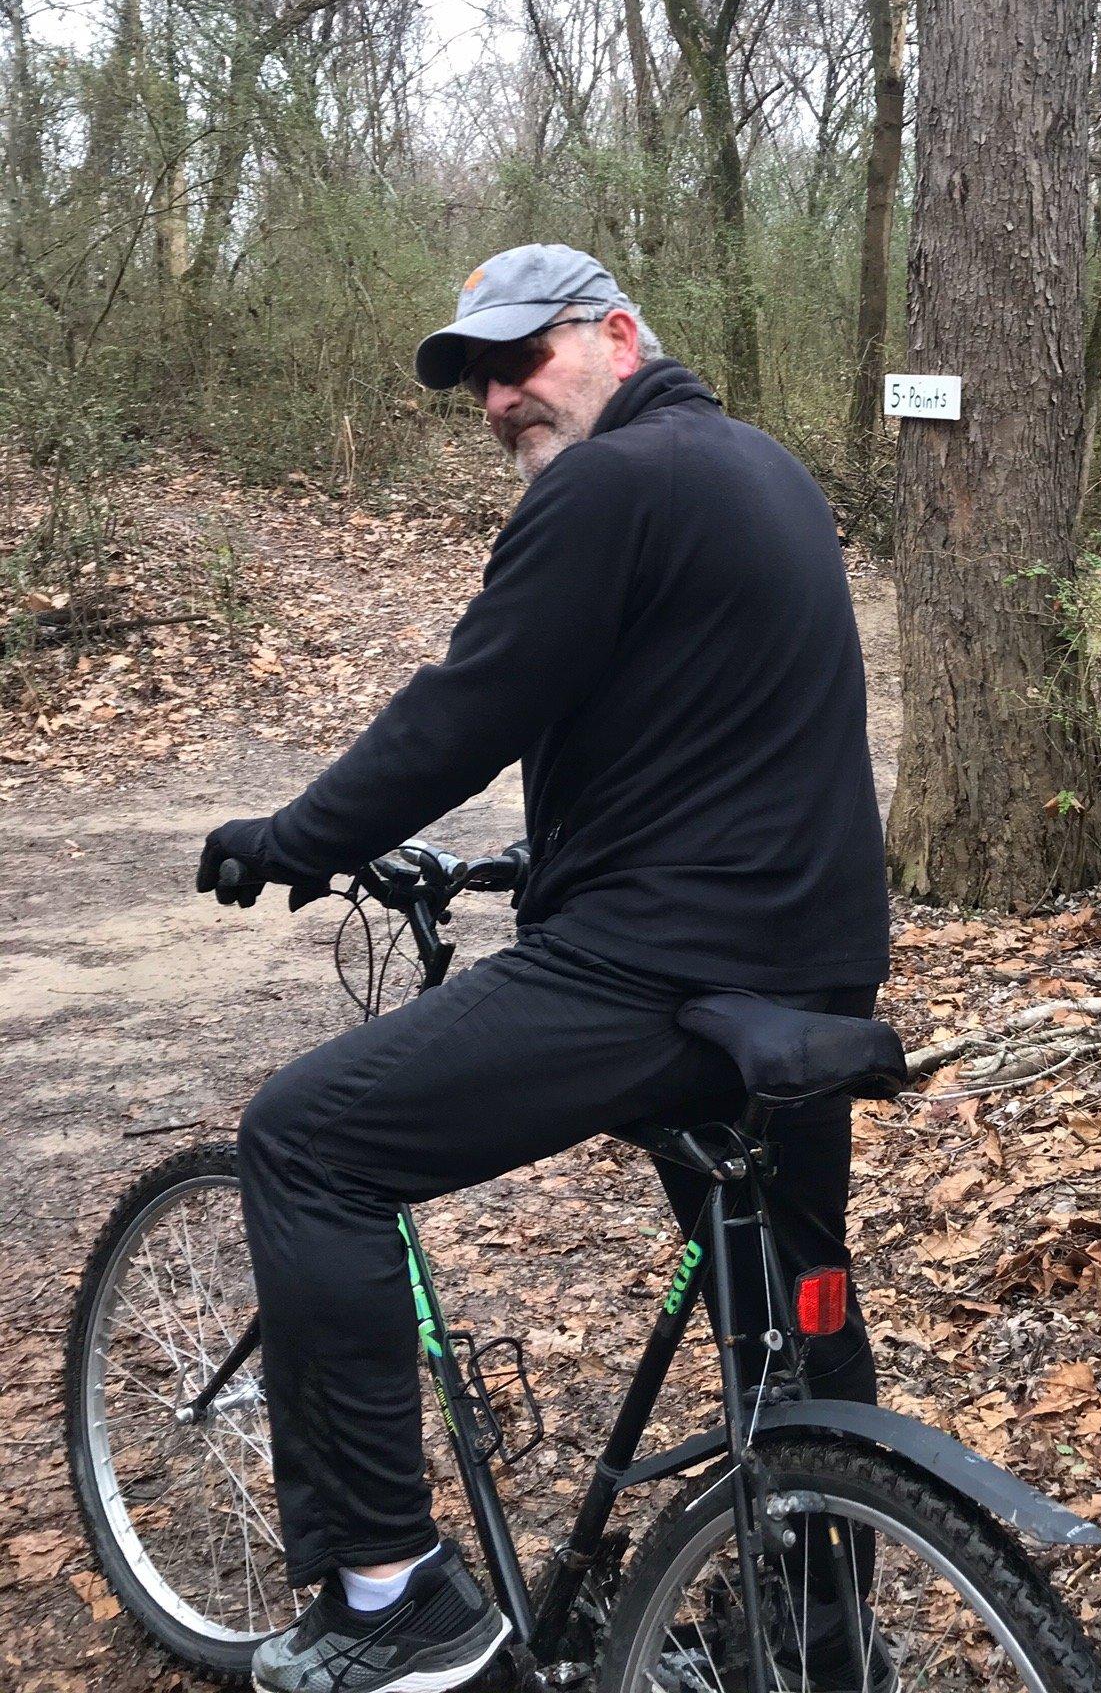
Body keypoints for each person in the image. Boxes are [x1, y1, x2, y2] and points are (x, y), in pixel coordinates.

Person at [197, 243, 892, 1693]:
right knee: (790, 1305)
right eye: (481, 379)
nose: (504, 397)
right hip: (804, 978)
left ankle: (394, 1601)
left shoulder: (606, 484)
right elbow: (705, 742)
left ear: (620, 335)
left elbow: (472, 705)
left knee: (306, 1143)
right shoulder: (762, 470)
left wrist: (298, 838)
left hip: (659, 975)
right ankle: (814, 1641)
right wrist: (534, 864)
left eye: (526, 358)